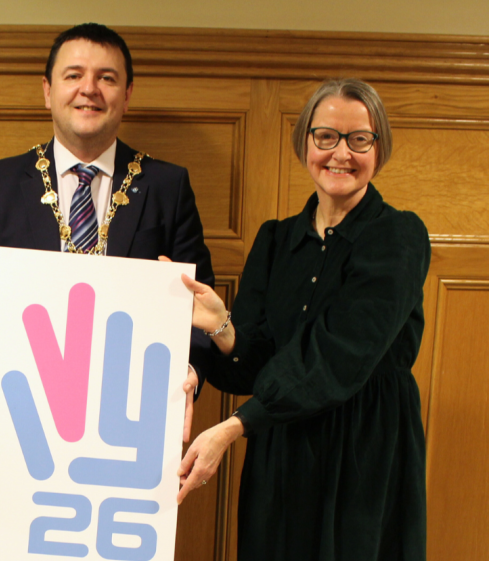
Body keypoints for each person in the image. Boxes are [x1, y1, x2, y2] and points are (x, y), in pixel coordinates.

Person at [174, 79, 430, 561]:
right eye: (326, 136)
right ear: (305, 143)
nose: (341, 153)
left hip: (365, 448)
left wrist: (233, 428)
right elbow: (252, 366)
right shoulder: (275, 240)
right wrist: (220, 327)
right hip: (283, 444)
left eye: (360, 139)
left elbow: (340, 355)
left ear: (379, 149)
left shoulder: (399, 236)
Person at [0, 23, 215, 439]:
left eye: (106, 78)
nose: (88, 89)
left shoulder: (168, 186)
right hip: (24, 402)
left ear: (126, 95)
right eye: (73, 75)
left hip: (133, 409)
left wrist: (189, 368)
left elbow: (201, 301)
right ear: (47, 90)